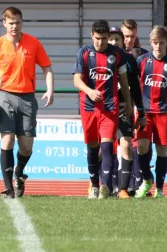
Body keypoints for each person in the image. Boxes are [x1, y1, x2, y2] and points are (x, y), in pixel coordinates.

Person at [0, 7, 54, 199]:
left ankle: (19, 172)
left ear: (21, 22)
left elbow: (47, 67)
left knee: (26, 146)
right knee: (7, 139)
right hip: (4, 96)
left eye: (17, 23)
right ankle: (8, 187)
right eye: (10, 23)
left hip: (27, 97)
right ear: (4, 24)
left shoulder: (33, 43)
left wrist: (49, 89)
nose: (14, 26)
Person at [73, 21, 133, 199]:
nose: (101, 42)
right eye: (97, 39)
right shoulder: (84, 53)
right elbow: (77, 80)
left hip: (110, 106)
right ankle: (94, 185)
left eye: (104, 39)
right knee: (93, 147)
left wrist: (128, 103)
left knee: (107, 146)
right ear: (92, 36)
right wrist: (90, 91)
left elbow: (123, 81)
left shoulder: (117, 54)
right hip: (88, 106)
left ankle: (106, 186)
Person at [135, 25, 167, 198]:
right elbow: (134, 86)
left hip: (163, 112)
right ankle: (147, 179)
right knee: (141, 146)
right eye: (155, 43)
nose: (158, 46)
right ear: (151, 43)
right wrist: (135, 106)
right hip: (145, 112)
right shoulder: (141, 61)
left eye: (161, 43)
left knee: (161, 150)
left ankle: (160, 189)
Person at [107, 26, 145, 198]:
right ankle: (102, 186)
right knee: (102, 149)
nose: (114, 42)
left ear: (123, 42)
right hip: (105, 108)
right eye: (111, 39)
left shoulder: (129, 59)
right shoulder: (98, 57)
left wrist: (141, 112)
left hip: (124, 107)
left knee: (127, 145)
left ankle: (123, 189)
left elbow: (136, 88)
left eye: (117, 39)